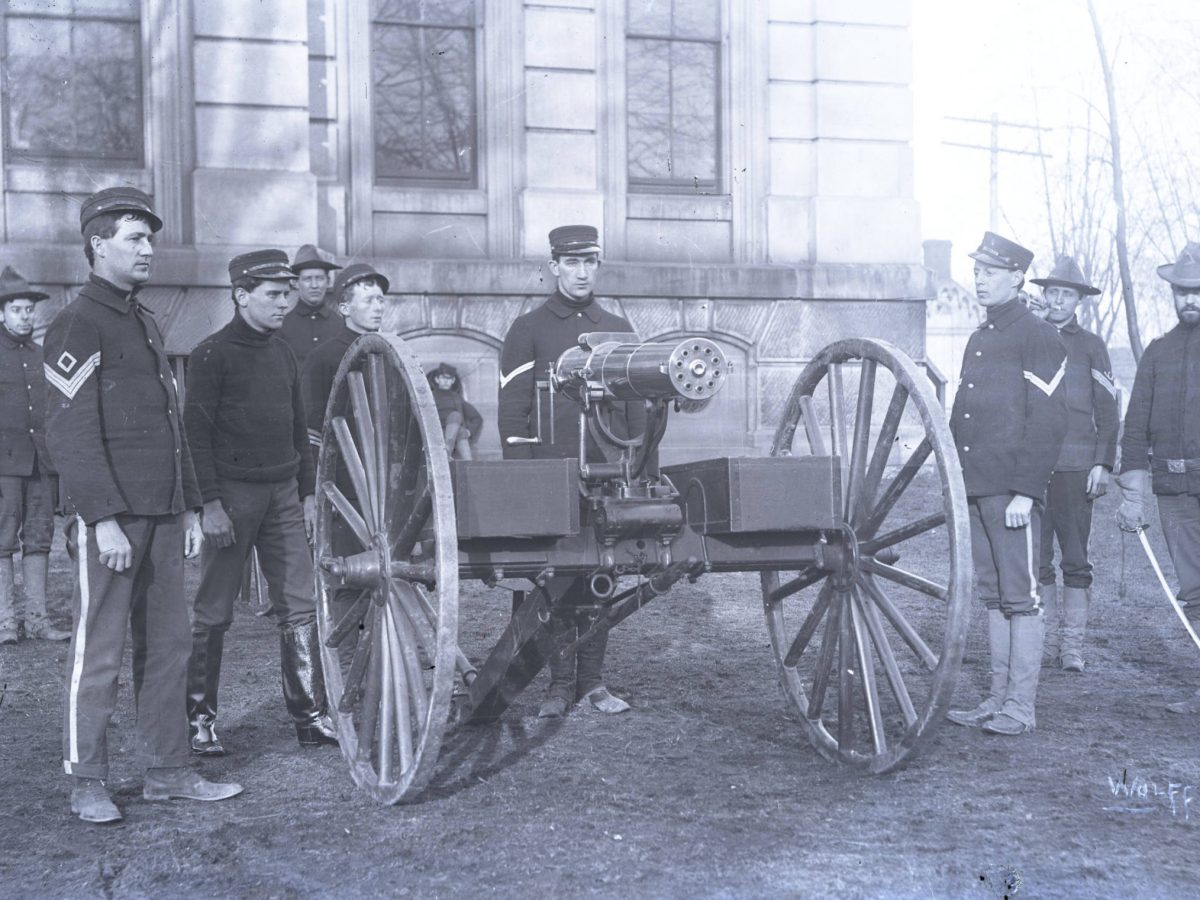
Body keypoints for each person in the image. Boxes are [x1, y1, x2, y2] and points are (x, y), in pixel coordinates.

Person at [43, 186, 241, 824]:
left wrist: (185, 507)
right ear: (98, 245)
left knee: (169, 647)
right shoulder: (78, 322)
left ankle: (169, 772)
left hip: (161, 516)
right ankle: (87, 781)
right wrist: (100, 519)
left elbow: (171, 424)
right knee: (98, 650)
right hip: (115, 522)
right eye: (135, 237)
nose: (148, 249)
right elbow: (69, 432)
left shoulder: (145, 321)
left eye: (150, 238)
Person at [183, 250, 339, 755]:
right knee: (213, 609)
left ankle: (310, 716)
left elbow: (301, 431)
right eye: (272, 295)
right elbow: (195, 437)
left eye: (286, 293)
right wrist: (208, 505)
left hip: (284, 495)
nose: (283, 303)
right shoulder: (210, 355)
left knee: (299, 603)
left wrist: (310, 493)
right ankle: (200, 720)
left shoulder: (283, 354)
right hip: (231, 498)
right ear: (241, 295)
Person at [497, 224, 638, 718]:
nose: (581, 273)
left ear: (598, 266)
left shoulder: (618, 329)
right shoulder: (529, 329)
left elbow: (638, 415)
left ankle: (594, 683)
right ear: (554, 267)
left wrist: (635, 471)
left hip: (607, 473)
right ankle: (559, 686)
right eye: (571, 263)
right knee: (554, 578)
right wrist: (524, 483)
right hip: (549, 479)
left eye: (589, 263)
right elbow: (513, 416)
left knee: (603, 574)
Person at [945, 231, 1067, 736]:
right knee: (994, 596)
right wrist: (955, 480)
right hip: (975, 487)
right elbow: (963, 413)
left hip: (1012, 491)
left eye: (991, 271)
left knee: (1022, 596)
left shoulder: (1038, 334)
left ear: (1017, 277)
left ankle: (1020, 707)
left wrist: (1026, 490)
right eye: (976, 269)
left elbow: (1049, 420)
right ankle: (996, 700)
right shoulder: (981, 336)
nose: (979, 278)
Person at [1117, 241, 1200, 714]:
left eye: (1198, 291)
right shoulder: (1157, 353)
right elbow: (1135, 428)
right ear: (1171, 293)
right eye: (1182, 292)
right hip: (1175, 495)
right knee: (1195, 591)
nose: (1190, 300)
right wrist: (1133, 494)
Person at [1028, 257, 1118, 672]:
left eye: (1067, 294)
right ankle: (1044, 643)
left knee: (1075, 558)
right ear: (1044, 296)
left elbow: (1108, 409)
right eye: (1053, 292)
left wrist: (1102, 463)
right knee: (1035, 559)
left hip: (1076, 466)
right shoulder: (1030, 339)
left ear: (1079, 300)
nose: (1059, 300)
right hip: (1032, 467)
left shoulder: (1091, 346)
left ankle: (1072, 649)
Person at [0, 266, 69, 643]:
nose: (25, 316)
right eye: (17, 309)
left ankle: (38, 620)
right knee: (2, 540)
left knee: (40, 537)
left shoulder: (43, 354)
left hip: (41, 463)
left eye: (29, 309)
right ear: (2, 312)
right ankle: (6, 622)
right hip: (3, 464)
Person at [301, 262, 388, 458]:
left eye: (381, 300)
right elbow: (312, 430)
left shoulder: (393, 354)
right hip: (343, 469)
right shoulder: (322, 357)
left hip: (390, 467)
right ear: (345, 308)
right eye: (368, 301)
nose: (378, 308)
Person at [278, 244, 342, 369]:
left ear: (328, 281)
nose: (314, 285)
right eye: (307, 279)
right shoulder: (282, 327)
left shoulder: (340, 325)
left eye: (319, 278)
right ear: (295, 282)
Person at [428, 362, 483, 460]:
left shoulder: (457, 398)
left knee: (457, 419)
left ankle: (450, 453)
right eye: (443, 378)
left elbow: (477, 418)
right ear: (437, 379)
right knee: (458, 424)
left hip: (455, 433)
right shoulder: (429, 396)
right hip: (437, 433)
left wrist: (469, 431)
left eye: (449, 379)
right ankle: (451, 454)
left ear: (453, 381)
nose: (446, 381)